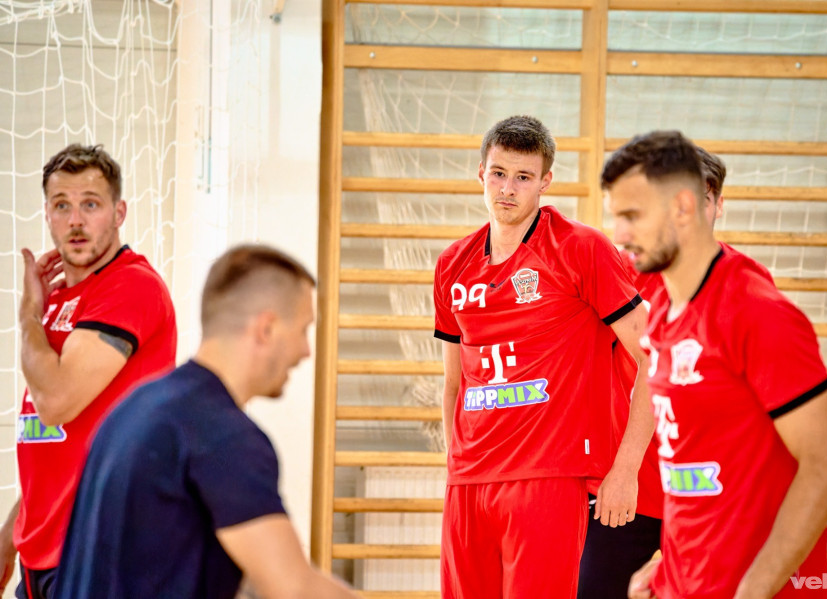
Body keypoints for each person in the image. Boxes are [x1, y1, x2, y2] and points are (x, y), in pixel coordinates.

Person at [601, 130, 827, 599]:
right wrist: (671, 567)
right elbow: (699, 470)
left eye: (633, 216)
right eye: (617, 217)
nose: (620, 235)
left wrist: (753, 588)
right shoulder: (664, 314)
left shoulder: (757, 312)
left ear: (683, 206)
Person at [56, 245, 360, 599]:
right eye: (304, 330)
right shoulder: (223, 434)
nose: (306, 350)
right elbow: (292, 589)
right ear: (266, 328)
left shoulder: (134, 408)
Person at [433, 115, 654, 599]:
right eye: (498, 173)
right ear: (481, 173)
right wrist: (456, 464)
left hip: (547, 477)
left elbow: (653, 357)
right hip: (469, 482)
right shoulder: (453, 264)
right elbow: (453, 383)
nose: (507, 189)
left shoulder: (580, 248)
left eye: (523, 177)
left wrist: (625, 469)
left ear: (545, 182)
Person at [0, 144, 177, 599]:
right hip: (42, 557)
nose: (75, 220)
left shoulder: (131, 286)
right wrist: (9, 539)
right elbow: (55, 443)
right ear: (47, 214)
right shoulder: (56, 301)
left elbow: (55, 403)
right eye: (62, 205)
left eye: (91, 204)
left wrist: (27, 315)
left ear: (119, 213)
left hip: (106, 555)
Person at [578, 146, 728, 599]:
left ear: (719, 205)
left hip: (709, 496)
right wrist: (618, 470)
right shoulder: (624, 273)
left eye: (702, 200)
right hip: (627, 492)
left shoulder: (745, 285)